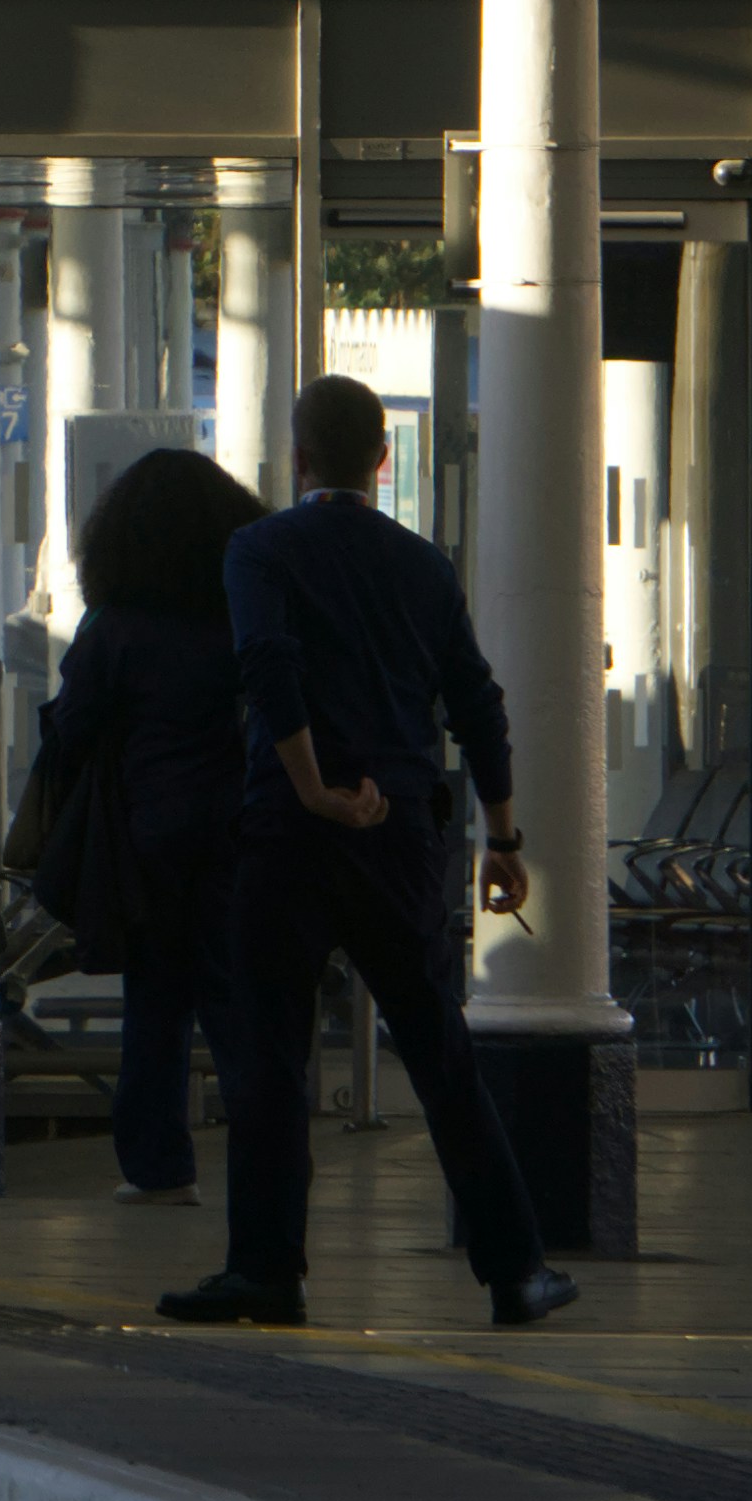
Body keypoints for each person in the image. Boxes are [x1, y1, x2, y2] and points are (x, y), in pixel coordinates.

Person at [160, 373, 577, 1332]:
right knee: (438, 1052)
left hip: (290, 833)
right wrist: (503, 836)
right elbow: (477, 703)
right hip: (402, 836)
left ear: (297, 459)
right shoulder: (424, 567)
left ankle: (267, 1269)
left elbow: (270, 666)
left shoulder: (257, 551)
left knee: (268, 1052)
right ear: (384, 462)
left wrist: (311, 786)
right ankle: (517, 1270)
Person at [20, 449, 261, 1205]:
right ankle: (269, 1157)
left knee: (155, 1005)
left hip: (147, 837)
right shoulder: (239, 614)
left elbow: (74, 727)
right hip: (236, 831)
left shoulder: (116, 625)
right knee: (235, 1004)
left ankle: (159, 1169)